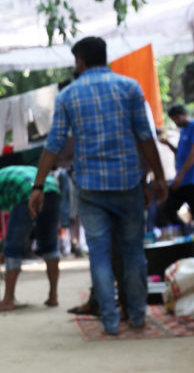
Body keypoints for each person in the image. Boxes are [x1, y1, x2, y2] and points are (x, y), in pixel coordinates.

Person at [30, 36, 167, 336]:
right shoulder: (129, 87)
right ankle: (138, 316)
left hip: (90, 187)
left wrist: (37, 185)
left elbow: (53, 144)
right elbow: (145, 136)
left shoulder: (69, 96)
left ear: (80, 62)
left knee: (100, 254)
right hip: (128, 182)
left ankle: (109, 321)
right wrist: (158, 176)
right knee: (133, 251)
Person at [0, 165, 62, 311]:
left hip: (28, 191)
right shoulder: (5, 176)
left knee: (12, 248)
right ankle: (53, 296)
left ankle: (8, 300)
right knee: (50, 245)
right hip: (52, 188)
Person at [158, 105, 194, 230]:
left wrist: (180, 176)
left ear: (184, 114)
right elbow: (180, 153)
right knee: (167, 209)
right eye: (174, 120)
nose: (176, 122)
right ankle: (186, 230)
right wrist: (168, 144)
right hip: (182, 181)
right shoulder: (183, 131)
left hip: (193, 180)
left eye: (177, 118)